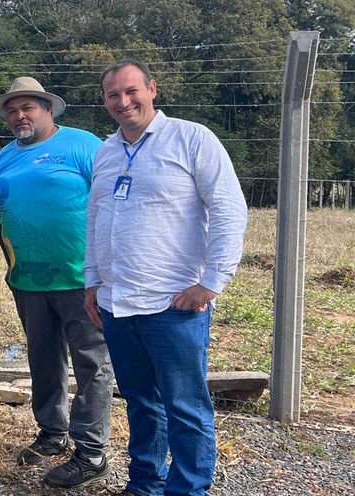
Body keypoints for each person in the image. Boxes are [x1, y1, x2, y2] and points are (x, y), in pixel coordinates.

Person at [84, 60, 248, 496]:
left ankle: (187, 489)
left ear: (152, 89)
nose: (123, 102)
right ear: (104, 101)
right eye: (113, 95)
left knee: (185, 407)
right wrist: (92, 281)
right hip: (117, 303)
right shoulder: (106, 151)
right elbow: (96, 217)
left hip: (172, 304)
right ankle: (144, 485)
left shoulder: (192, 139)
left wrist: (212, 281)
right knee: (140, 403)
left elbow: (230, 211)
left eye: (131, 91)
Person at [0, 78, 114, 488]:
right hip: (28, 279)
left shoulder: (84, 145)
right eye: (12, 110)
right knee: (43, 359)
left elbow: (111, 205)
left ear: (48, 108)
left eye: (28, 107)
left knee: (91, 362)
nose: (19, 116)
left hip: (81, 279)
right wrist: (12, 264)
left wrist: (104, 269)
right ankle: (52, 433)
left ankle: (91, 450)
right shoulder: (4, 158)